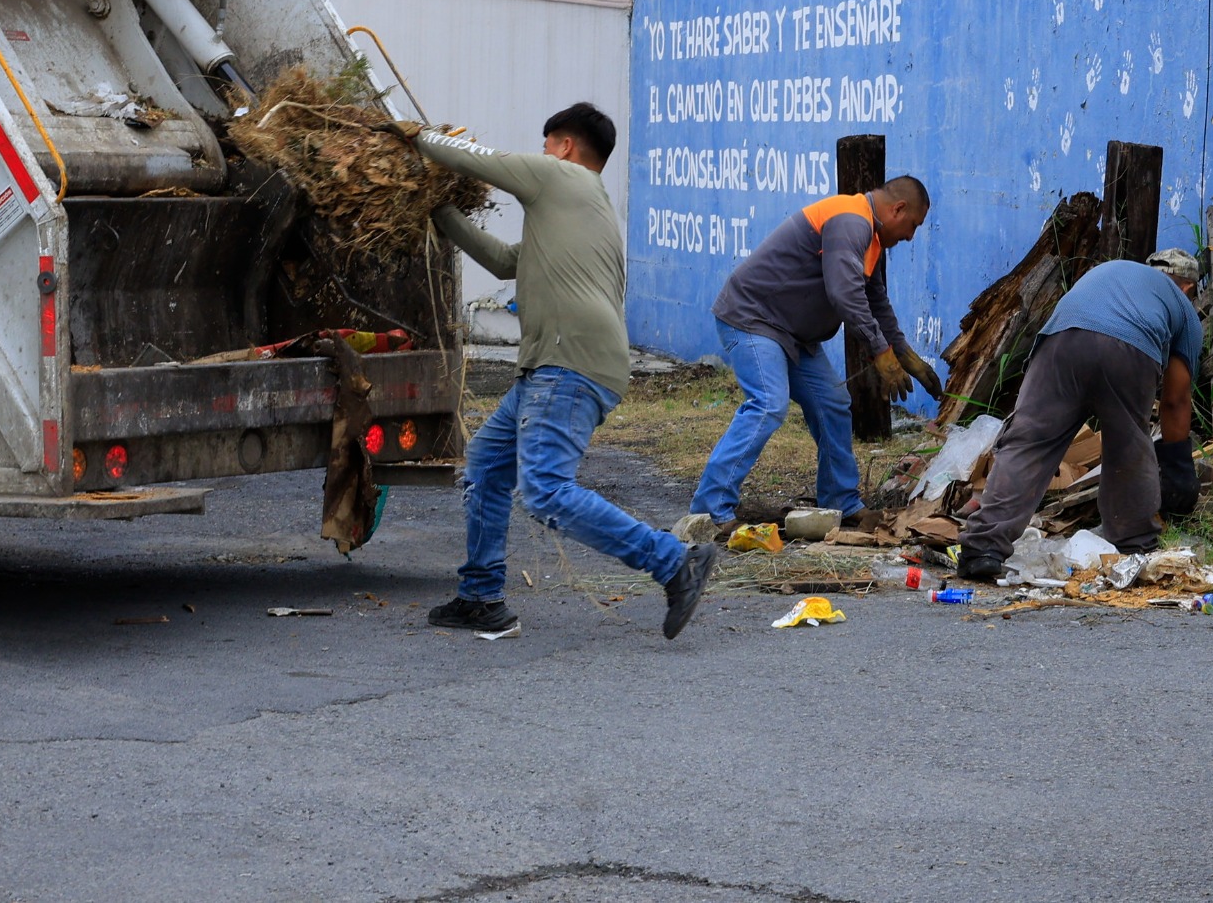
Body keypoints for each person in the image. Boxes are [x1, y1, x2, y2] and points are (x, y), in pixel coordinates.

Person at [389, 103, 716, 639]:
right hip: (556, 365)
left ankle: (673, 561)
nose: (539, 154)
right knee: (488, 470)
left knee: (543, 490)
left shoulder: (559, 177)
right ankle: (479, 595)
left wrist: (412, 135)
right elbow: (500, 260)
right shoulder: (581, 211)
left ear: (565, 147)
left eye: (545, 144)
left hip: (568, 363)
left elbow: (481, 160)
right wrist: (436, 208)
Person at [689, 178, 939, 538]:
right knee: (768, 405)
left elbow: (876, 303)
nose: (911, 236)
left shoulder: (870, 237)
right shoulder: (851, 221)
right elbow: (844, 293)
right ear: (898, 209)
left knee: (834, 404)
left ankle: (842, 502)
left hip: (791, 334)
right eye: (913, 225)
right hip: (753, 320)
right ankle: (711, 509)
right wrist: (880, 352)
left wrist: (906, 355)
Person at [955, 248, 1204, 581]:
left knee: (1029, 442)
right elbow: (1175, 399)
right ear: (1187, 287)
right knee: (1127, 445)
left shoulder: (1116, 268)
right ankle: (1134, 547)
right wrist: (1178, 466)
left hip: (1061, 339)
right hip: (1128, 348)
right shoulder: (1184, 309)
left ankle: (982, 549)